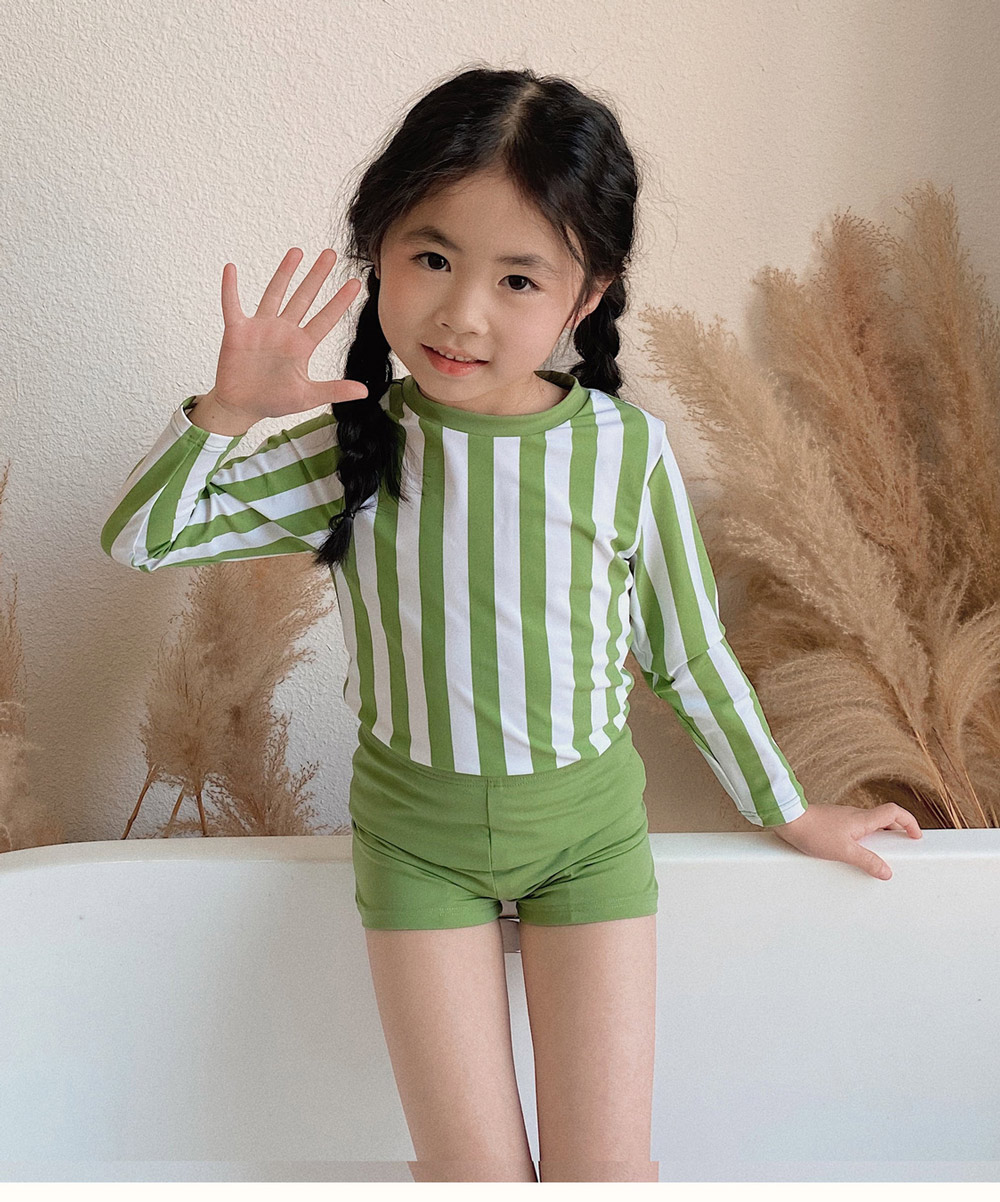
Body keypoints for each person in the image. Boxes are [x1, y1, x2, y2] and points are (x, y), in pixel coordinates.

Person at [100, 65, 922, 1184]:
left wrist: (789, 808)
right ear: (378, 247)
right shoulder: (350, 444)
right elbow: (142, 540)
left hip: (589, 842)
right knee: (472, 1179)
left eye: (518, 277)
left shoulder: (623, 451)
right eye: (432, 257)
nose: (462, 313)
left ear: (586, 296)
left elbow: (687, 652)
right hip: (414, 846)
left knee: (603, 1179)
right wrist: (224, 415)